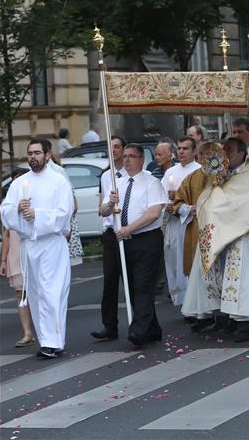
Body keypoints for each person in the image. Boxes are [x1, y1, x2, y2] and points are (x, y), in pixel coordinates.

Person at [182, 139, 249, 342]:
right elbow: (205, 200)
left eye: (229, 151)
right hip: (221, 232)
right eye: (224, 151)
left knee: (243, 278)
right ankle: (226, 316)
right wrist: (214, 185)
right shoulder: (222, 174)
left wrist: (215, 202)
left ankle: (244, 322)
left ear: (242, 153)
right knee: (220, 275)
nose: (225, 155)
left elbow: (234, 204)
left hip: (242, 236)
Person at [0, 139, 73, 359]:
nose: (33, 157)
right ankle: (47, 341)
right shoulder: (19, 183)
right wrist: (18, 210)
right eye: (30, 153)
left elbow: (65, 212)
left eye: (37, 153)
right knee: (35, 293)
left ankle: (53, 341)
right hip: (29, 245)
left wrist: (38, 215)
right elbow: (4, 211)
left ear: (48, 155)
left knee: (51, 291)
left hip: (51, 242)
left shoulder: (58, 181)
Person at [99, 143, 167, 347]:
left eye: (131, 156)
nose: (127, 160)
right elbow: (102, 211)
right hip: (123, 242)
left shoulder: (151, 183)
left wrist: (130, 228)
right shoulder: (117, 184)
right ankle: (152, 328)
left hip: (146, 239)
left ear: (141, 159)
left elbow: (153, 213)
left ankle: (138, 330)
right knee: (131, 285)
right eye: (125, 156)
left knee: (144, 285)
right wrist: (110, 204)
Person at [90, 135, 128, 342]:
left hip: (130, 232)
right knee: (110, 280)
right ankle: (109, 325)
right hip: (111, 233)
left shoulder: (132, 174)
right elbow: (101, 207)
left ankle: (139, 322)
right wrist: (107, 206)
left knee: (132, 281)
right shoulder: (106, 176)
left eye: (116, 146)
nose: (113, 150)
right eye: (110, 147)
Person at [161, 136, 201, 308]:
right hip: (174, 224)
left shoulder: (200, 171)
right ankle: (182, 302)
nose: (181, 151)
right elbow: (161, 197)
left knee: (192, 264)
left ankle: (195, 303)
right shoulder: (170, 172)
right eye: (179, 148)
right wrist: (168, 206)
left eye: (185, 148)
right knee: (175, 264)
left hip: (193, 224)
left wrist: (181, 203)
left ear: (194, 151)